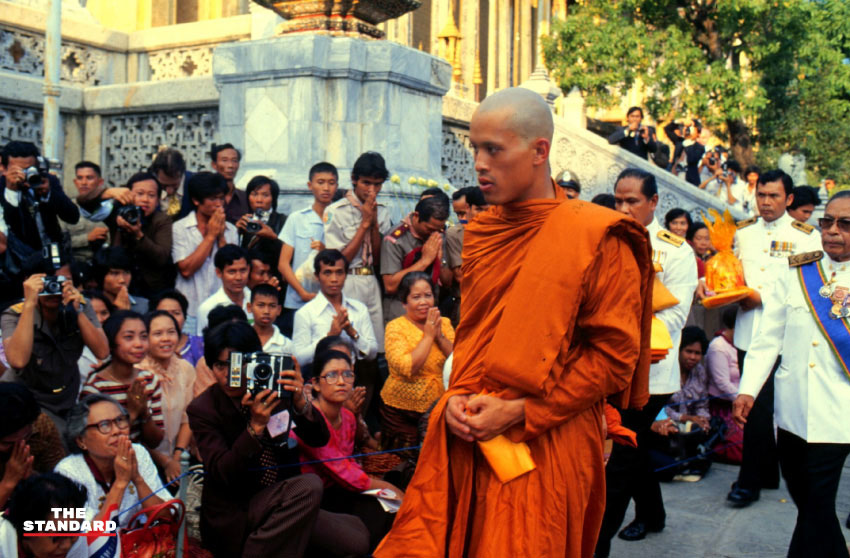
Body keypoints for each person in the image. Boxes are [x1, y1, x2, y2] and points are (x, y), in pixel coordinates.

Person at [373, 88, 654, 558]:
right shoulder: (483, 232)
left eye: (494, 150)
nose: (479, 164)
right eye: (475, 149)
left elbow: (612, 360)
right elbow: (478, 337)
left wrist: (520, 411)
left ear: (539, 151)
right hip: (470, 430)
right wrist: (457, 395)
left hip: (547, 440)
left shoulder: (595, 236)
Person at [187, 320, 370, 558]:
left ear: (254, 362)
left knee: (356, 540)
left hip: (286, 499)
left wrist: (301, 402)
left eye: (238, 363)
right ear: (211, 366)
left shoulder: (273, 389)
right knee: (309, 485)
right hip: (237, 509)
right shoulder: (203, 409)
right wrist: (255, 428)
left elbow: (318, 439)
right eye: (221, 365)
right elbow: (223, 473)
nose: (229, 374)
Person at [733, 191, 850, 557]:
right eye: (827, 221)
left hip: (839, 413)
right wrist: (748, 389)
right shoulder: (799, 269)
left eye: (845, 224)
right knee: (806, 500)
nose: (832, 231)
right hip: (792, 409)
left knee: (816, 502)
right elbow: (768, 337)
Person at [599, 168, 698, 553]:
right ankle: (653, 514)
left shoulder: (676, 251)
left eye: (632, 202)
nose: (623, 209)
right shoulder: (604, 236)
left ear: (653, 202)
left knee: (621, 458)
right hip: (607, 367)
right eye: (618, 200)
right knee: (633, 447)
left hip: (652, 372)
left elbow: (673, 320)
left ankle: (596, 543)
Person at [727, 169, 822, 508]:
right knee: (753, 409)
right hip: (748, 329)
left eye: (774, 196)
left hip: (784, 335)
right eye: (761, 195)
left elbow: (806, 285)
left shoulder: (806, 236)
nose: (766, 202)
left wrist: (761, 297)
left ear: (789, 199)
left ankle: (752, 479)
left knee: (767, 407)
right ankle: (761, 474)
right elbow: (734, 273)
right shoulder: (744, 232)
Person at [296, 348, 401, 549]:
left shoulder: (349, 417)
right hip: (315, 498)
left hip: (342, 490)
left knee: (387, 513)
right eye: (332, 375)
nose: (342, 382)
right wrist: (391, 490)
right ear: (316, 384)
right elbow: (342, 470)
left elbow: (350, 461)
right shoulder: (310, 421)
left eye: (347, 374)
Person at [1, 249, 109, 433]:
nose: (54, 288)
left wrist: (78, 312)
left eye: (61, 281)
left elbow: (102, 351)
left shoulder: (82, 305)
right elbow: (17, 360)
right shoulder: (15, 313)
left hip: (67, 394)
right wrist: (29, 304)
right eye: (47, 282)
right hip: (27, 395)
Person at [55, 394, 166, 557]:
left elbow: (166, 518)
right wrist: (121, 482)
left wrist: (137, 479)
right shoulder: (67, 472)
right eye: (104, 425)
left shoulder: (138, 453)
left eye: (120, 420)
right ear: (81, 441)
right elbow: (93, 538)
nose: (117, 431)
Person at [324, 152, 392, 353]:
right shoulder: (336, 211)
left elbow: (380, 259)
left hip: (371, 281)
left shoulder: (383, 211)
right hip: (348, 281)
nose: (372, 190)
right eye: (366, 183)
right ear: (354, 179)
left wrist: (373, 225)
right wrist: (364, 224)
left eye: (377, 184)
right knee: (347, 345)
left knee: (373, 348)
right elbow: (337, 261)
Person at [380, 272, 454, 454]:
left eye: (428, 295)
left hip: (438, 406)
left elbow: (457, 360)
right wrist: (428, 336)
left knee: (437, 457)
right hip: (402, 411)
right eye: (416, 297)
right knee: (405, 462)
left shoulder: (443, 323)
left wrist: (439, 336)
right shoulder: (395, 327)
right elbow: (408, 367)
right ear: (404, 303)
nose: (423, 302)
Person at [81, 310, 164, 450]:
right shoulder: (96, 388)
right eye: (129, 337)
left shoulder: (149, 380)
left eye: (143, 337)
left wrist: (144, 413)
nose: (139, 344)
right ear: (112, 342)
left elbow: (155, 441)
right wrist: (131, 413)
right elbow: (99, 442)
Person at [172, 171, 239, 331]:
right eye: (212, 199)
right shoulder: (180, 228)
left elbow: (231, 269)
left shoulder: (231, 230)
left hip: (222, 310)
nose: (219, 204)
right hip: (189, 310)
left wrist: (221, 237)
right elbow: (186, 270)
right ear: (196, 200)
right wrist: (210, 236)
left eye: (221, 198)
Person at [278, 162, 338, 335]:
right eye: (320, 182)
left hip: (329, 299)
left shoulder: (340, 217)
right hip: (297, 300)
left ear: (337, 186)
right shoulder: (297, 219)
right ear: (310, 186)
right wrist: (302, 292)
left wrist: (325, 250)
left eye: (331, 183)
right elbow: (283, 263)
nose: (326, 188)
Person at [292, 249, 377, 369]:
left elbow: (372, 354)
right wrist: (329, 337)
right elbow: (299, 359)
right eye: (327, 273)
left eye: (339, 272)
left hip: (354, 375)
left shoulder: (359, 308)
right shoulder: (305, 313)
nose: (334, 279)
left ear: (345, 275)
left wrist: (352, 332)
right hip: (320, 378)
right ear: (317, 276)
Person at [140, 310, 196, 484]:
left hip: (179, 458)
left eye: (171, 332)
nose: (166, 339)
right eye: (157, 333)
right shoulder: (138, 372)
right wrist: (165, 462)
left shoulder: (185, 368)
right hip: (145, 459)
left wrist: (177, 457)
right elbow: (136, 429)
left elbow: (188, 417)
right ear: (146, 338)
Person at [381, 195, 450, 323]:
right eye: (429, 229)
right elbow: (390, 285)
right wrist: (425, 261)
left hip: (430, 314)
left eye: (439, 229)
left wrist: (439, 262)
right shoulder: (395, 239)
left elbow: (447, 283)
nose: (434, 233)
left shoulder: (438, 235)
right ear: (417, 216)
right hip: (401, 314)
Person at [0, 141, 79, 252]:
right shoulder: (2, 187)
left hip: (53, 251)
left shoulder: (47, 180)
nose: (25, 174)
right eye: (19, 170)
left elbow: (73, 217)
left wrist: (48, 194)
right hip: (19, 258)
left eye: (30, 169)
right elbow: (13, 227)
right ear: (4, 169)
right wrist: (11, 192)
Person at [105, 171, 174, 295]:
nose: (145, 200)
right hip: (120, 286)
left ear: (158, 200)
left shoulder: (162, 220)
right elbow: (86, 202)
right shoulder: (118, 213)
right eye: (140, 194)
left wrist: (139, 235)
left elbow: (162, 257)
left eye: (151, 195)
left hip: (153, 289)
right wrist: (108, 193)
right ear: (129, 195)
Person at [0, 384, 66, 510]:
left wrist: (31, 478)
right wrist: (9, 481)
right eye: (7, 444)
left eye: (26, 437)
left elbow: (60, 482)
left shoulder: (42, 426)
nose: (20, 447)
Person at [4, 473, 87, 558]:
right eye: (58, 537)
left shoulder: (78, 542)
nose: (67, 545)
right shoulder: (3, 542)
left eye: (74, 532)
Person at [443, 186, 488, 324]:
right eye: (479, 210)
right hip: (468, 302)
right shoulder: (455, 234)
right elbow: (461, 276)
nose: (483, 215)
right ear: (469, 208)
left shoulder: (501, 230)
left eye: (487, 210)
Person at [706, 307, 742, 463]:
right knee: (741, 448)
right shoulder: (718, 347)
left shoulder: (741, 344)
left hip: (743, 403)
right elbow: (722, 383)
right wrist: (745, 398)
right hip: (724, 406)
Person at [196, 244, 252, 335]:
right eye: (232, 271)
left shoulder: (257, 302)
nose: (238, 277)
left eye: (243, 270)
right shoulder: (207, 308)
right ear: (218, 272)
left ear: (249, 269)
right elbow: (203, 344)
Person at [236, 175, 286, 262]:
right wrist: (236, 231)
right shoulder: (245, 221)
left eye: (265, 195)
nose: (259, 200)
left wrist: (273, 238)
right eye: (254, 194)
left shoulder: (283, 221)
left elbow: (290, 254)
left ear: (273, 198)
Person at [150, 289, 204, 366]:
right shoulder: (146, 347)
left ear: (185, 317)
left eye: (176, 313)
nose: (171, 318)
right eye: (164, 313)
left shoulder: (200, 345)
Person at [64, 161, 105, 263]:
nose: (84, 183)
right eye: (80, 178)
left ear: (100, 182)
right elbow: (59, 243)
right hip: (76, 265)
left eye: (89, 178)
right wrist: (87, 238)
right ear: (75, 182)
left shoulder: (109, 207)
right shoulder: (66, 208)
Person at [92, 246, 149, 314]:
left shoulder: (143, 305)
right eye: (114, 273)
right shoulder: (90, 305)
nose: (122, 280)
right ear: (101, 275)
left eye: (126, 272)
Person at [247, 283, 293, 354]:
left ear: (279, 310)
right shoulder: (241, 339)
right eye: (261, 305)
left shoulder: (286, 345)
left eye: (272, 306)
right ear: (249, 307)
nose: (266, 311)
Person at [149, 146, 193, 221]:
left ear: (182, 174)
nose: (170, 191)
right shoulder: (146, 183)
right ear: (155, 175)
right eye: (163, 185)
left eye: (174, 185)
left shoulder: (196, 182)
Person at [209, 143, 248, 224]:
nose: (230, 165)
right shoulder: (206, 196)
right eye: (224, 160)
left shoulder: (245, 198)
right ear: (214, 165)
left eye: (234, 161)